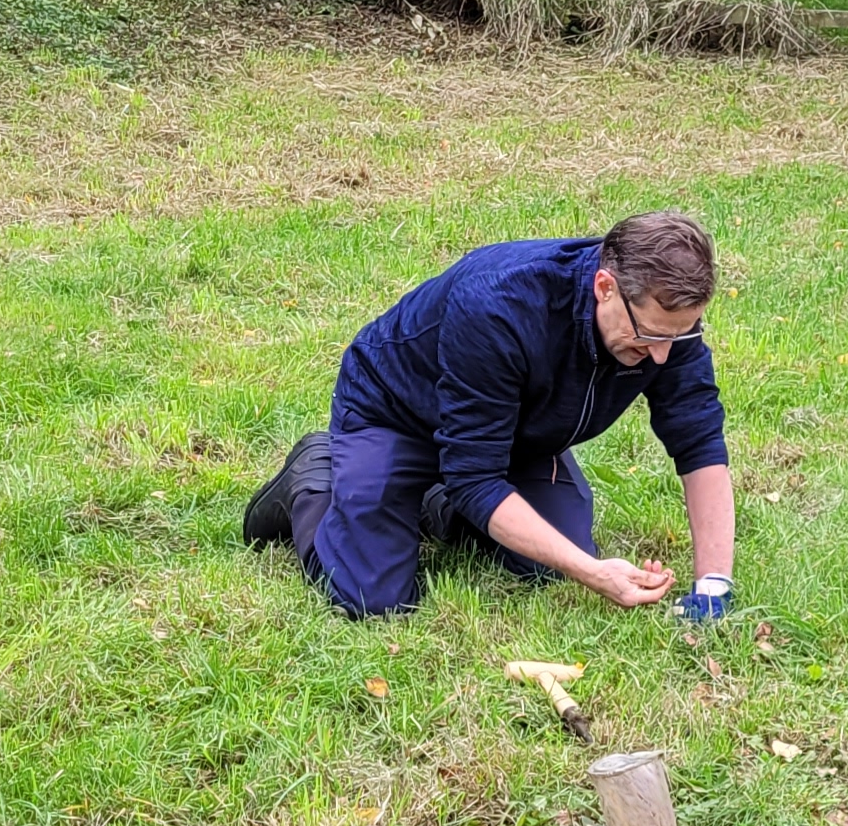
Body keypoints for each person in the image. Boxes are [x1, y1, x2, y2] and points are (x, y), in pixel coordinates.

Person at [244, 212, 737, 622]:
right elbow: (477, 478)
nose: (660, 358)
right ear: (604, 286)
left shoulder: (668, 329)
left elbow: (699, 444)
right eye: (649, 337)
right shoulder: (499, 304)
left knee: (548, 561)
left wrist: (713, 585)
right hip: (395, 415)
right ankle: (314, 477)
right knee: (372, 600)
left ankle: (437, 499)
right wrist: (592, 572)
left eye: (678, 336)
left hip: (508, 434)